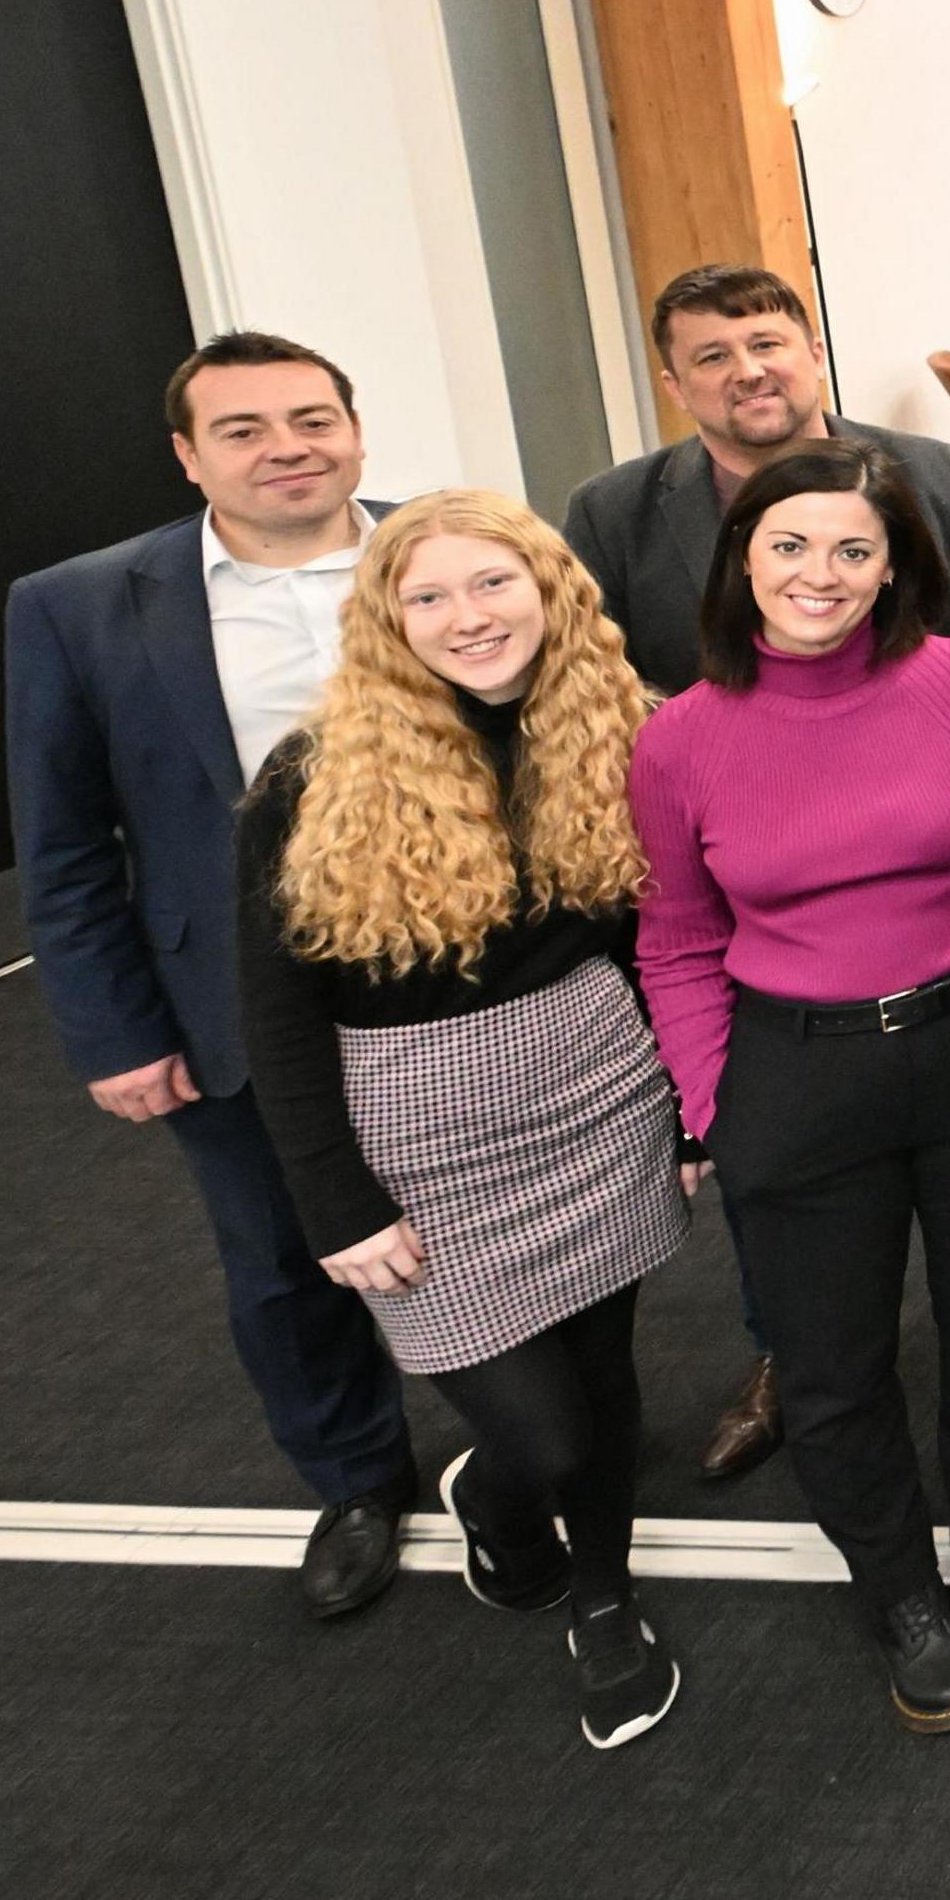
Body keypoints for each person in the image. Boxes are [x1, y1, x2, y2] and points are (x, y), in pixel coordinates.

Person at [564, 262, 950, 1475]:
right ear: (673, 380)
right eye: (712, 354)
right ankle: (783, 1345)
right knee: (810, 1267)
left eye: (767, 341)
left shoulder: (932, 475)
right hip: (754, 903)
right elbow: (590, 692)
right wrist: (742, 744)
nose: (747, 369)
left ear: (811, 348)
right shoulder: (614, 513)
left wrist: (903, 725)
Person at [629, 438, 950, 1735]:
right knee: (830, 1369)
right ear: (741, 562)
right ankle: (898, 1587)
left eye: (852, 547)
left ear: (898, 565)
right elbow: (674, 939)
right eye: (787, 545)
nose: (819, 573)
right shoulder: (679, 739)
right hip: (795, 1072)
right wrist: (714, 1096)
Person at [234, 491, 688, 1747]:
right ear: (386, 622)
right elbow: (273, 1017)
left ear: (550, 589)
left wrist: (690, 1115)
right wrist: (335, 1197)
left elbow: (658, 945)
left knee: (603, 1384)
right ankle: (496, 1500)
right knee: (537, 1436)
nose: (466, 617)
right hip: (410, 1137)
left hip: (595, 1093)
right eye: (426, 596)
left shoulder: (617, 732)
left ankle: (605, 1601)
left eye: (492, 584)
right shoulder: (310, 776)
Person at [6, 332, 420, 1620]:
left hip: (463, 970)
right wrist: (111, 1030)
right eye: (242, 429)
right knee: (284, 1260)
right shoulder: (78, 604)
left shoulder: (454, 548)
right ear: (189, 456)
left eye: (311, 418)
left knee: (497, 1228)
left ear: (356, 428)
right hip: (236, 993)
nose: (285, 446)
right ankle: (357, 1479)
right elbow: (64, 842)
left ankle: (538, 1447)